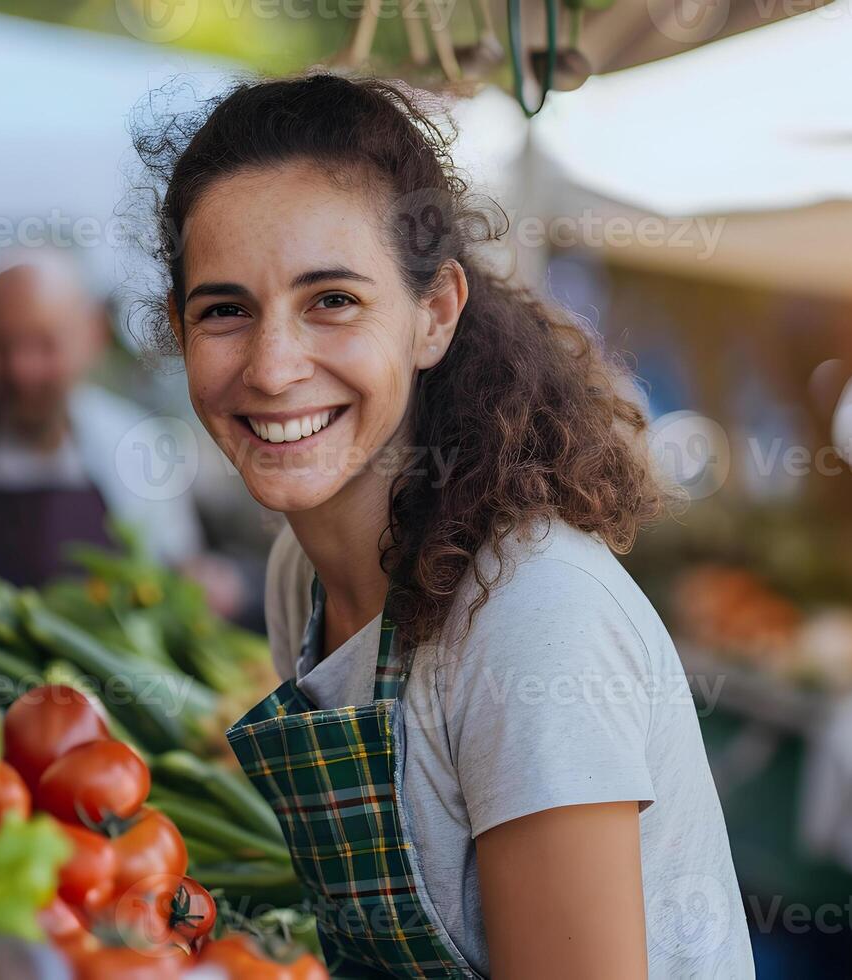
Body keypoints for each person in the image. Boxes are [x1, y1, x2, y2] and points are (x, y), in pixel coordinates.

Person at [142, 73, 753, 979]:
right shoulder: (298, 573)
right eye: (225, 310)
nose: (271, 369)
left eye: (332, 301)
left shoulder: (531, 618)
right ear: (178, 330)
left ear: (432, 315)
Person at [0, 252, 206, 589]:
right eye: (2, 345)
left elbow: (178, 580)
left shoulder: (139, 448)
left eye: (45, 345)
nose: (22, 370)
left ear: (92, 338)